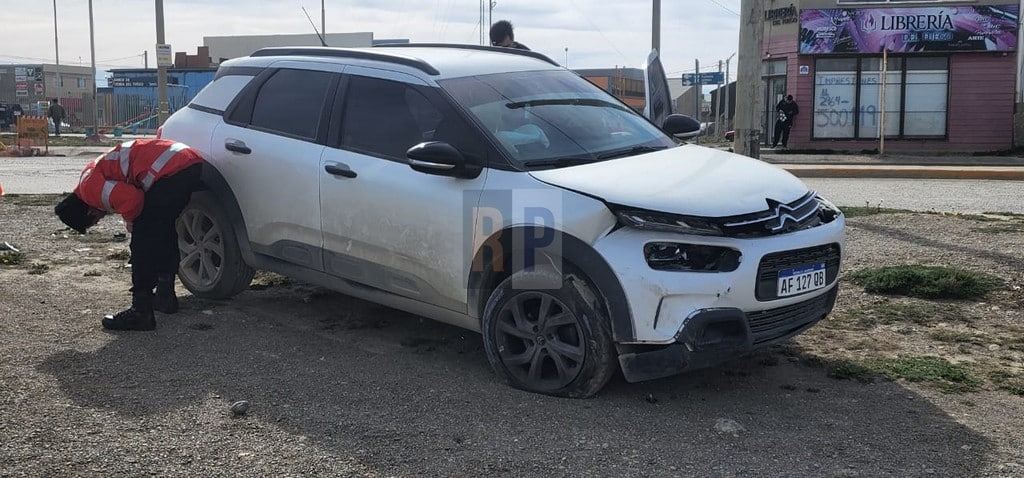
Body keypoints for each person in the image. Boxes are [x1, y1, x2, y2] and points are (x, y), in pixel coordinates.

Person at [54, 139, 203, 331]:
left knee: (142, 240)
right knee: (163, 231)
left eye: (95, 221)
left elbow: (133, 200)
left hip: (170, 171)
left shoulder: (91, 191)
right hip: (185, 162)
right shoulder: (88, 176)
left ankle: (141, 311)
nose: (100, 219)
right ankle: (165, 295)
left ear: (89, 212)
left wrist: (131, 221)